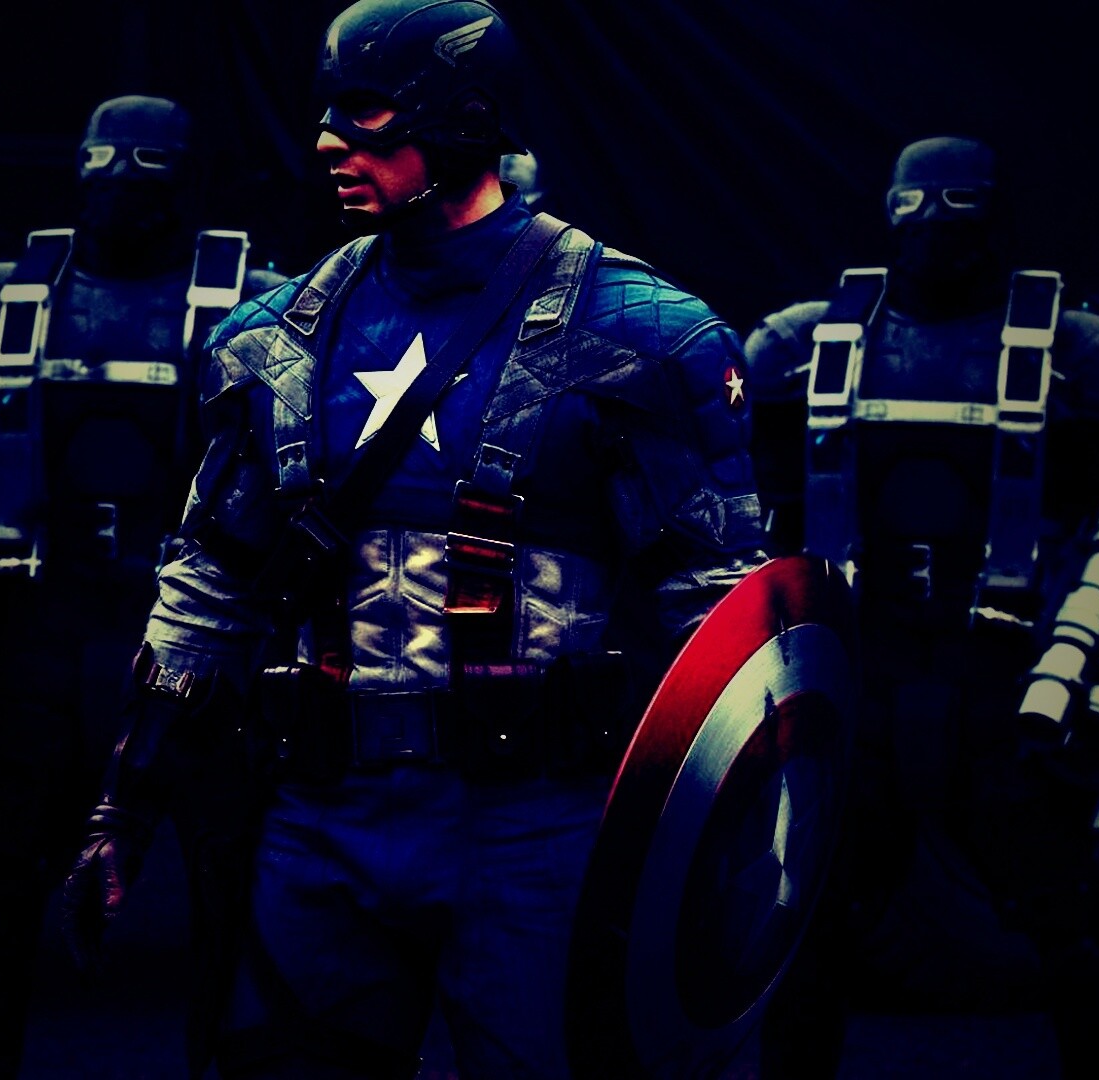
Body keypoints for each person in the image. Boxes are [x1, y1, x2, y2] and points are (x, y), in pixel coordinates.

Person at [58, 2, 765, 1076]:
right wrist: (124, 808)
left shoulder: (643, 337)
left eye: (367, 111)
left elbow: (714, 619)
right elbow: (209, 582)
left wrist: (737, 847)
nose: (327, 142)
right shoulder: (271, 340)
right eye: (325, 113)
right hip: (321, 816)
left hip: (535, 825)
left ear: (466, 121)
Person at [0, 94, 285, 1079]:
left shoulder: (258, 306)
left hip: (194, 633)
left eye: (145, 164)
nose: (122, 182)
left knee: (235, 889)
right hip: (45, 622)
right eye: (107, 161)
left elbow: (304, 487)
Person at [744, 135, 1099, 1079]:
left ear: (993, 214)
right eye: (918, 204)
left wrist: (1089, 656)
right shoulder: (804, 344)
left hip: (1012, 674)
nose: (933, 225)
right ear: (889, 209)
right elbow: (757, 507)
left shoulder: (1082, 349)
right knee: (811, 929)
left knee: (1070, 926)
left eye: (957, 204)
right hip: (863, 666)